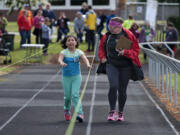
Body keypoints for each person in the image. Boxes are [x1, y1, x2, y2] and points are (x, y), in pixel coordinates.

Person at [98, 17, 141, 121]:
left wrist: (125, 52)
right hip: (111, 64)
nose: (111, 29)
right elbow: (100, 48)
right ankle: (112, 111)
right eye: (109, 26)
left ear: (119, 27)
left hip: (125, 66)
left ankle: (120, 112)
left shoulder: (128, 35)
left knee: (122, 90)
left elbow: (136, 51)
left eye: (113, 27)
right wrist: (102, 57)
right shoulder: (107, 36)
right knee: (113, 86)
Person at [58, 35, 91, 122]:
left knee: (75, 95)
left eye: (72, 40)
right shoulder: (64, 52)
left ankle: (80, 113)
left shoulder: (79, 52)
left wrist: (88, 64)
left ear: (76, 42)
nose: (71, 42)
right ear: (66, 43)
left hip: (76, 77)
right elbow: (60, 59)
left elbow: (85, 59)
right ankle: (67, 110)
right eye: (68, 40)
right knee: (68, 97)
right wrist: (61, 63)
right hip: (66, 77)